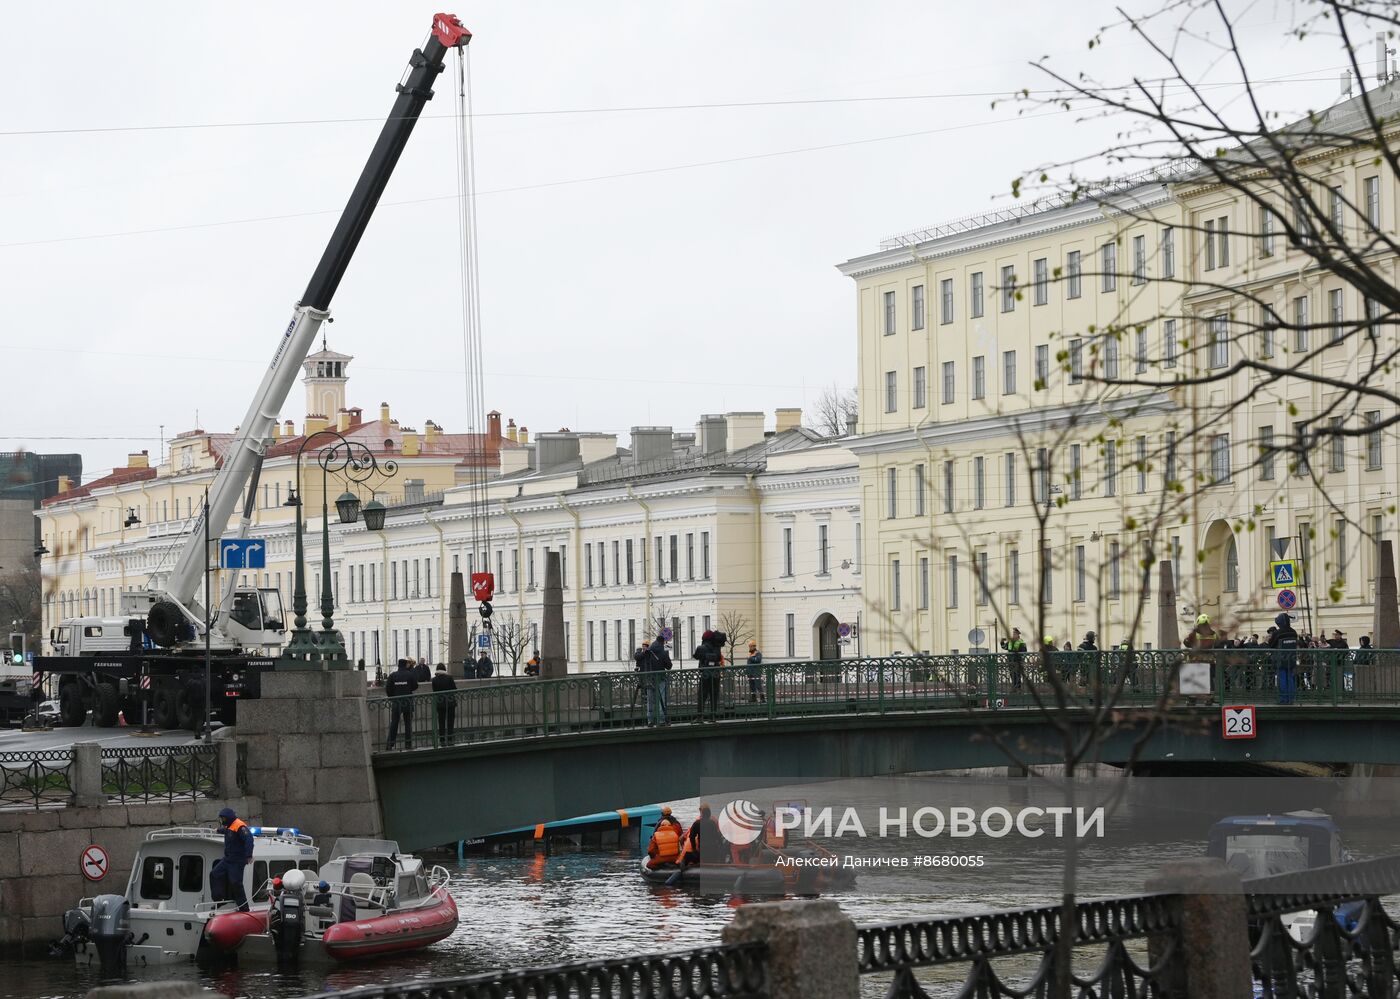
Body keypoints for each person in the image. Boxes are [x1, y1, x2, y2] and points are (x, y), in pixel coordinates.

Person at [667, 803, 727, 886]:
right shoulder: (713, 823)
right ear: (709, 814)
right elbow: (718, 838)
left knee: (687, 856)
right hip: (713, 853)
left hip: (703, 853)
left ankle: (682, 870)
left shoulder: (697, 823)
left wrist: (694, 850)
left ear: (701, 813)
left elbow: (691, 837)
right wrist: (721, 851)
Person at [210, 806, 254, 912]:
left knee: (236, 883)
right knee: (214, 874)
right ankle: (219, 899)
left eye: (223, 818)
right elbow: (227, 831)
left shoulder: (239, 826)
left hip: (237, 860)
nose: (222, 821)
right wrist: (218, 830)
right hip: (228, 859)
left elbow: (249, 839)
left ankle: (244, 908)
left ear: (228, 817)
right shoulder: (230, 825)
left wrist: (249, 855)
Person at [1182, 613, 1219, 703]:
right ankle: (1209, 699)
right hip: (1210, 660)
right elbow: (1217, 644)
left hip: (1196, 660)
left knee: (1194, 679)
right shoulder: (1214, 634)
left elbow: (1187, 643)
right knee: (1209, 680)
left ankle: (1192, 699)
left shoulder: (1194, 634)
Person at [385, 658, 418, 749]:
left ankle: (390, 744)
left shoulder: (393, 675)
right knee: (408, 723)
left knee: (394, 723)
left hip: (397, 701)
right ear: (406, 665)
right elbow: (415, 686)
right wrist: (408, 689)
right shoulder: (410, 675)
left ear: (398, 665)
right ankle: (408, 743)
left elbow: (388, 689)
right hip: (407, 701)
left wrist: (392, 697)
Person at [1268, 612, 1300, 705]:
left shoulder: (1277, 633)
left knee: (1282, 679)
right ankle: (1291, 699)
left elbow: (1271, 644)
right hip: (1292, 658)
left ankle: (1283, 699)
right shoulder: (1293, 632)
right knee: (1290, 678)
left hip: (1280, 659)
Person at [694, 630, 724, 722]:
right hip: (715, 674)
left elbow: (696, 656)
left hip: (705, 675)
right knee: (714, 695)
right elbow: (719, 658)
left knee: (702, 696)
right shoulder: (717, 648)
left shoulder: (701, 648)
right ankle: (713, 716)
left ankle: (700, 717)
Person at [644, 635, 672, 725]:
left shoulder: (649, 650)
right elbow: (669, 666)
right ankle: (662, 719)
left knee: (650, 700)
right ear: (663, 642)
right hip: (660, 677)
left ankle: (650, 720)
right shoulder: (664, 651)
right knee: (661, 699)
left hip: (649, 677)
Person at [431, 663, 457, 744]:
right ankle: (450, 739)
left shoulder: (434, 680)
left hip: (440, 703)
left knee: (441, 721)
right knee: (450, 721)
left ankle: (442, 739)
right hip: (450, 702)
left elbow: (434, 691)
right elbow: (454, 689)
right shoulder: (449, 678)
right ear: (444, 669)